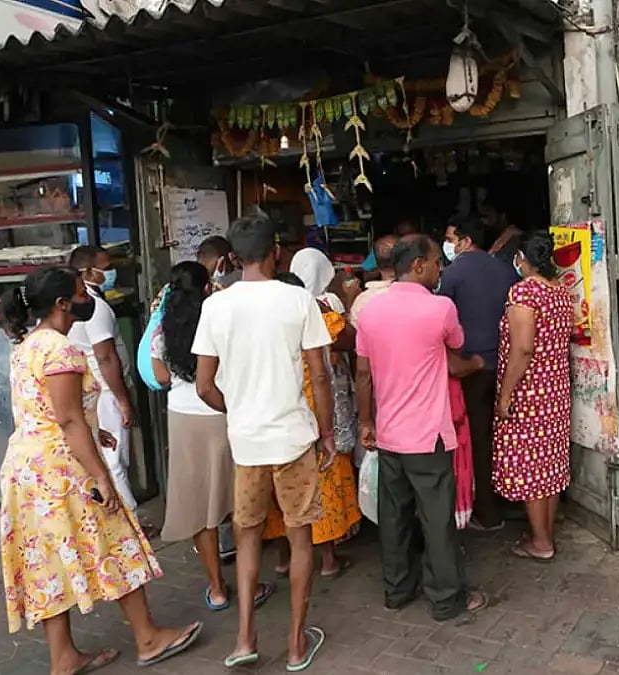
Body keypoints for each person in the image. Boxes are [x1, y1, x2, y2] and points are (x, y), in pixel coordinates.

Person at [0, 266, 202, 674]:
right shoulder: (61, 350)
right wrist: (102, 476)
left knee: (45, 562)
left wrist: (95, 432)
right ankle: (147, 638)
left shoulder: (28, 345)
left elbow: (51, 411)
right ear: (61, 305)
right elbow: (70, 420)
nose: (88, 297)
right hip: (61, 469)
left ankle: (64, 658)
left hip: (27, 469)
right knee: (116, 540)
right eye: (80, 292)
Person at [192, 214, 334, 670]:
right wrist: (328, 433)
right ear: (276, 251)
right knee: (300, 539)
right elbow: (319, 374)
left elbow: (204, 386)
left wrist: (238, 411)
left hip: (247, 442)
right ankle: (295, 646)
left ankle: (244, 639)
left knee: (248, 536)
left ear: (233, 257)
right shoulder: (298, 300)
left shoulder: (215, 305)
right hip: (293, 439)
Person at [355, 234, 489, 622]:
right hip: (429, 437)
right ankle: (446, 598)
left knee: (394, 519)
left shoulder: (371, 312)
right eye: (434, 262)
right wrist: (478, 365)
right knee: (437, 521)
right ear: (417, 266)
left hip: (389, 434)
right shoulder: (440, 308)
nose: (440, 268)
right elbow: (454, 353)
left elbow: (363, 374)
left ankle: (397, 590)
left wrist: (367, 421)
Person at [149, 261, 235, 611]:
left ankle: (217, 588)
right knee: (234, 500)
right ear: (206, 288)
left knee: (201, 508)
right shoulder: (218, 318)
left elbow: (159, 374)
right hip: (222, 412)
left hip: (183, 417)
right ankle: (250, 578)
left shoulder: (162, 326)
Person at [493, 231, 574, 561]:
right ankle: (545, 534)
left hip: (530, 392)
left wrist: (505, 395)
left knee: (531, 467)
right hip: (555, 389)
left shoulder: (524, 292)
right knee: (549, 466)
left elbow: (523, 349)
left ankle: (541, 543)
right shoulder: (560, 291)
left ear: (522, 259)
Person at [287, 250, 362, 577]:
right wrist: (348, 300)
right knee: (327, 472)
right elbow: (350, 340)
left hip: (289, 400)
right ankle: (329, 558)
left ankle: (284, 557)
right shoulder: (318, 309)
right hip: (321, 400)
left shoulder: (282, 307)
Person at [440, 216, 517, 531]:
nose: (448, 245)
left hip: (470, 369)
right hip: (507, 367)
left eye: (451, 238)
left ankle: (486, 511)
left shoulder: (452, 274)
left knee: (476, 441)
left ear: (465, 240)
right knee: (506, 437)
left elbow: (439, 323)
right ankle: (510, 499)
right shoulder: (507, 270)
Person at [67, 246, 137, 511]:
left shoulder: (86, 303)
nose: (111, 273)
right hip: (105, 392)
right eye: (106, 268)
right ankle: (130, 519)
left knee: (112, 458)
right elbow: (105, 357)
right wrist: (122, 400)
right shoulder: (94, 308)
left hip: (96, 390)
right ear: (87, 272)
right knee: (115, 460)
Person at [348, 235, 398, 329]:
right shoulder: (420, 293)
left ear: (376, 264)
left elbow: (354, 333)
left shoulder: (364, 300)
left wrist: (350, 300)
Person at [482, 197, 521, 261]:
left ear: (502, 216)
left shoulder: (515, 240)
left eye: (488, 216)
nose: (484, 221)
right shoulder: (496, 238)